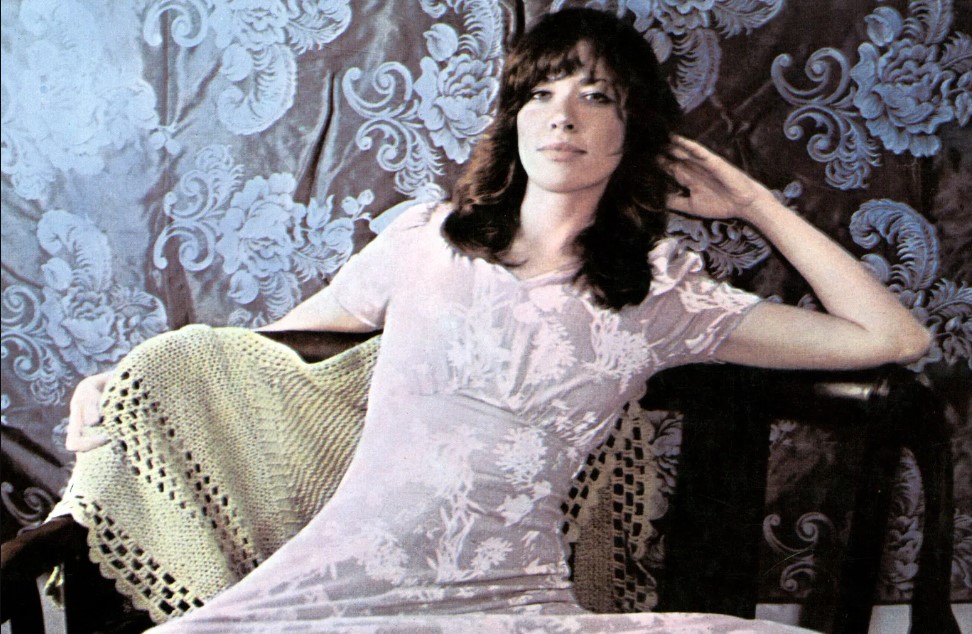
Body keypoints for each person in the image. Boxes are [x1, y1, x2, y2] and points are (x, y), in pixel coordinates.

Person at [62, 8, 930, 633]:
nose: (563, 114)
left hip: (509, 607)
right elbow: (260, 360)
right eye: (540, 92)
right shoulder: (423, 242)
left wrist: (751, 203)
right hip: (330, 591)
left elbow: (893, 339)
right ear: (514, 119)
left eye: (596, 95)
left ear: (635, 132)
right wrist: (121, 386)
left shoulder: (660, 294)